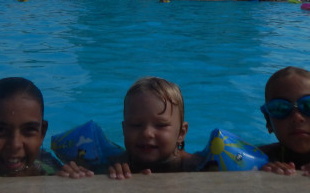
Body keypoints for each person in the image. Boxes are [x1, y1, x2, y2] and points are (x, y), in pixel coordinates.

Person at [58, 76, 202, 179]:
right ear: (124, 129)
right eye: (136, 125)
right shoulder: (113, 163)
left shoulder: (195, 164)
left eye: (160, 125)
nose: (147, 133)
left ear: (181, 133)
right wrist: (74, 172)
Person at [0, 77, 53, 177]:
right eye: (0, 130)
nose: (15, 145)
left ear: (42, 133)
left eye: (29, 129)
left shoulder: (48, 165)